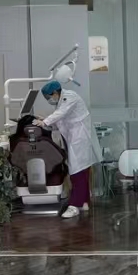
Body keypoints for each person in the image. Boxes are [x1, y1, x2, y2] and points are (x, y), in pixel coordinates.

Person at [34, 81, 102, 214]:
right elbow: (60, 121)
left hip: (80, 139)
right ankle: (84, 202)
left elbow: (61, 113)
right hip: (74, 139)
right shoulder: (61, 103)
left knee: (77, 172)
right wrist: (45, 122)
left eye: (49, 97)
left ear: (55, 92)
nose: (49, 100)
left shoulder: (69, 97)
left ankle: (75, 205)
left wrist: (45, 122)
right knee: (81, 171)